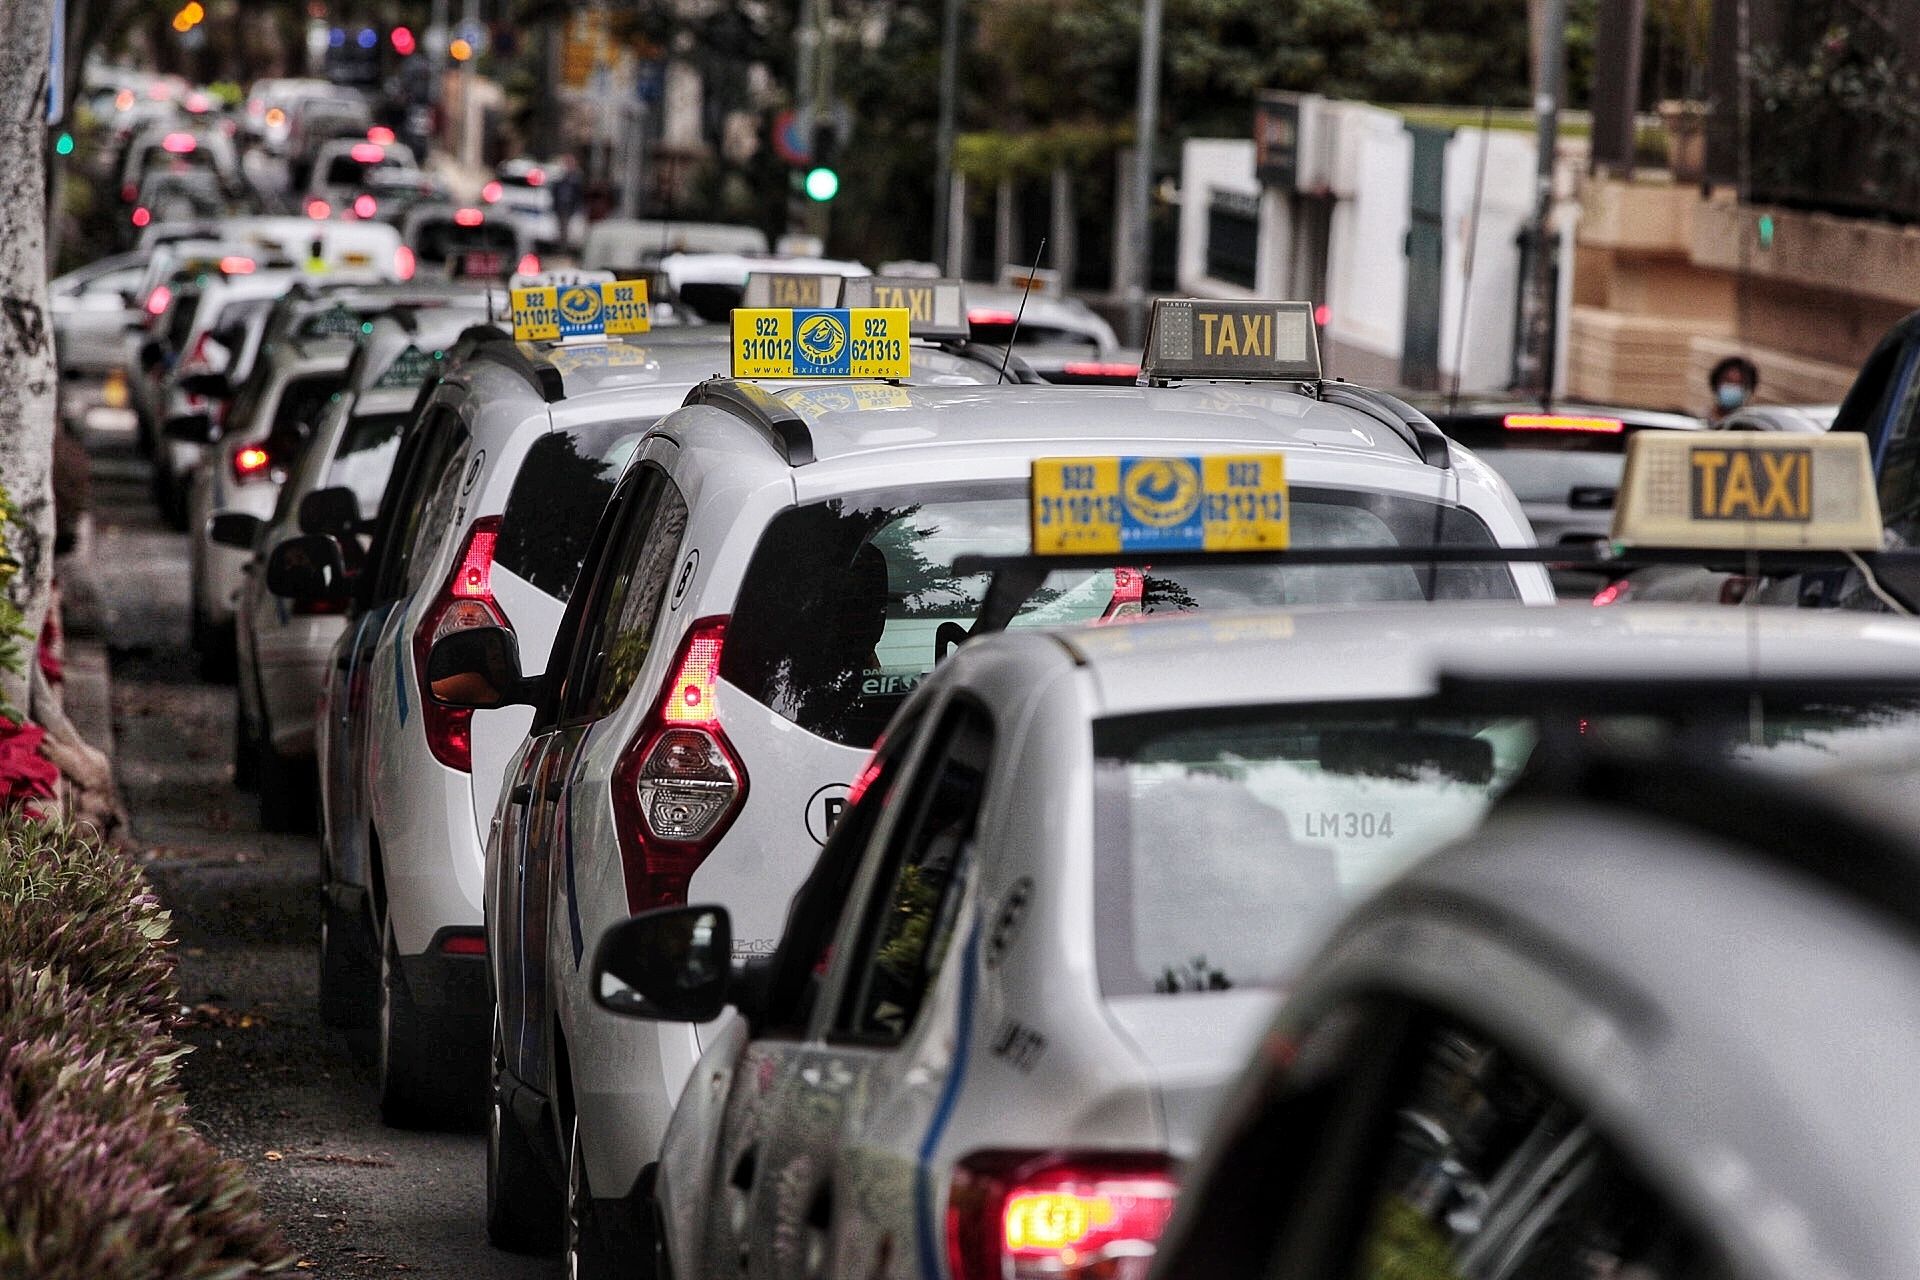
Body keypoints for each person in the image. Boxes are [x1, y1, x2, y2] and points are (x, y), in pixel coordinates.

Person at [1709, 355, 1758, 424]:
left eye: (1740, 383)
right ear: (1716, 384)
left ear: (1749, 390)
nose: (1733, 387)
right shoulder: (1699, 422)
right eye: (1728, 381)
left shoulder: (1751, 426)